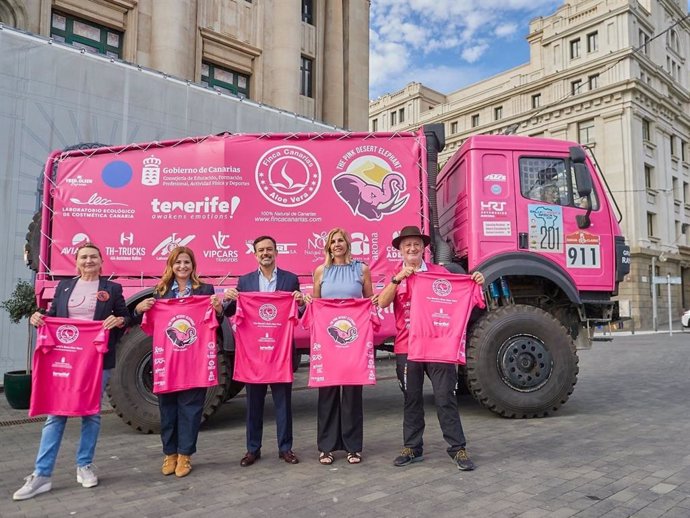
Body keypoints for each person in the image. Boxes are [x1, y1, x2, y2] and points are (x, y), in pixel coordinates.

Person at [13, 242, 130, 501]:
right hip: (65, 360)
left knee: (92, 414)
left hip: (97, 361)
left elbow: (126, 317)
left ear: (101, 262)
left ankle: (85, 465)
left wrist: (118, 320)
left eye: (93, 257)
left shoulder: (112, 288)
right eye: (84, 257)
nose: (88, 261)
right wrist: (39, 317)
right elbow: (53, 315)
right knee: (56, 415)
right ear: (76, 262)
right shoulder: (64, 287)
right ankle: (42, 474)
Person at [377, 226, 484, 472]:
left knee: (445, 397)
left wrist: (476, 280)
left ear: (423, 248)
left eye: (416, 244)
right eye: (407, 246)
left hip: (438, 346)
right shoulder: (395, 274)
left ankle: (458, 449)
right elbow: (382, 302)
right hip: (407, 347)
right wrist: (398, 279)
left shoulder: (440, 272)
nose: (412, 249)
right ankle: (412, 447)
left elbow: (463, 292)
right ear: (401, 251)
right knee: (411, 399)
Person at [133, 246, 223, 478]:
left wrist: (217, 308)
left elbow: (216, 320)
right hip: (168, 363)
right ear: (171, 266)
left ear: (193, 265)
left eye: (187, 262)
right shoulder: (160, 292)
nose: (182, 266)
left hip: (195, 361)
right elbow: (147, 323)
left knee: (191, 410)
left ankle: (185, 455)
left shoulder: (204, 290)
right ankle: (169, 454)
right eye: (178, 263)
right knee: (168, 409)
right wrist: (139, 309)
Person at [223, 235, 304, 467]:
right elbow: (231, 311)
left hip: (280, 353)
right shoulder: (245, 281)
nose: (265, 253)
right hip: (254, 355)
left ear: (276, 252)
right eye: (261, 250)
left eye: (269, 249)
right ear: (255, 254)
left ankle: (285, 448)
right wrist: (229, 299)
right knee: (254, 405)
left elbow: (297, 314)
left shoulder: (290, 280)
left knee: (283, 404)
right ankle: (252, 449)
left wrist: (299, 302)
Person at [309, 228, 373, 466]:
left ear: (347, 244)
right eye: (333, 241)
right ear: (328, 246)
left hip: (354, 344)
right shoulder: (320, 271)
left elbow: (368, 302)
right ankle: (326, 447)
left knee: (352, 396)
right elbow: (316, 306)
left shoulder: (361, 269)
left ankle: (352, 447)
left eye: (341, 241)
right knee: (327, 394)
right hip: (327, 343)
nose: (337, 244)